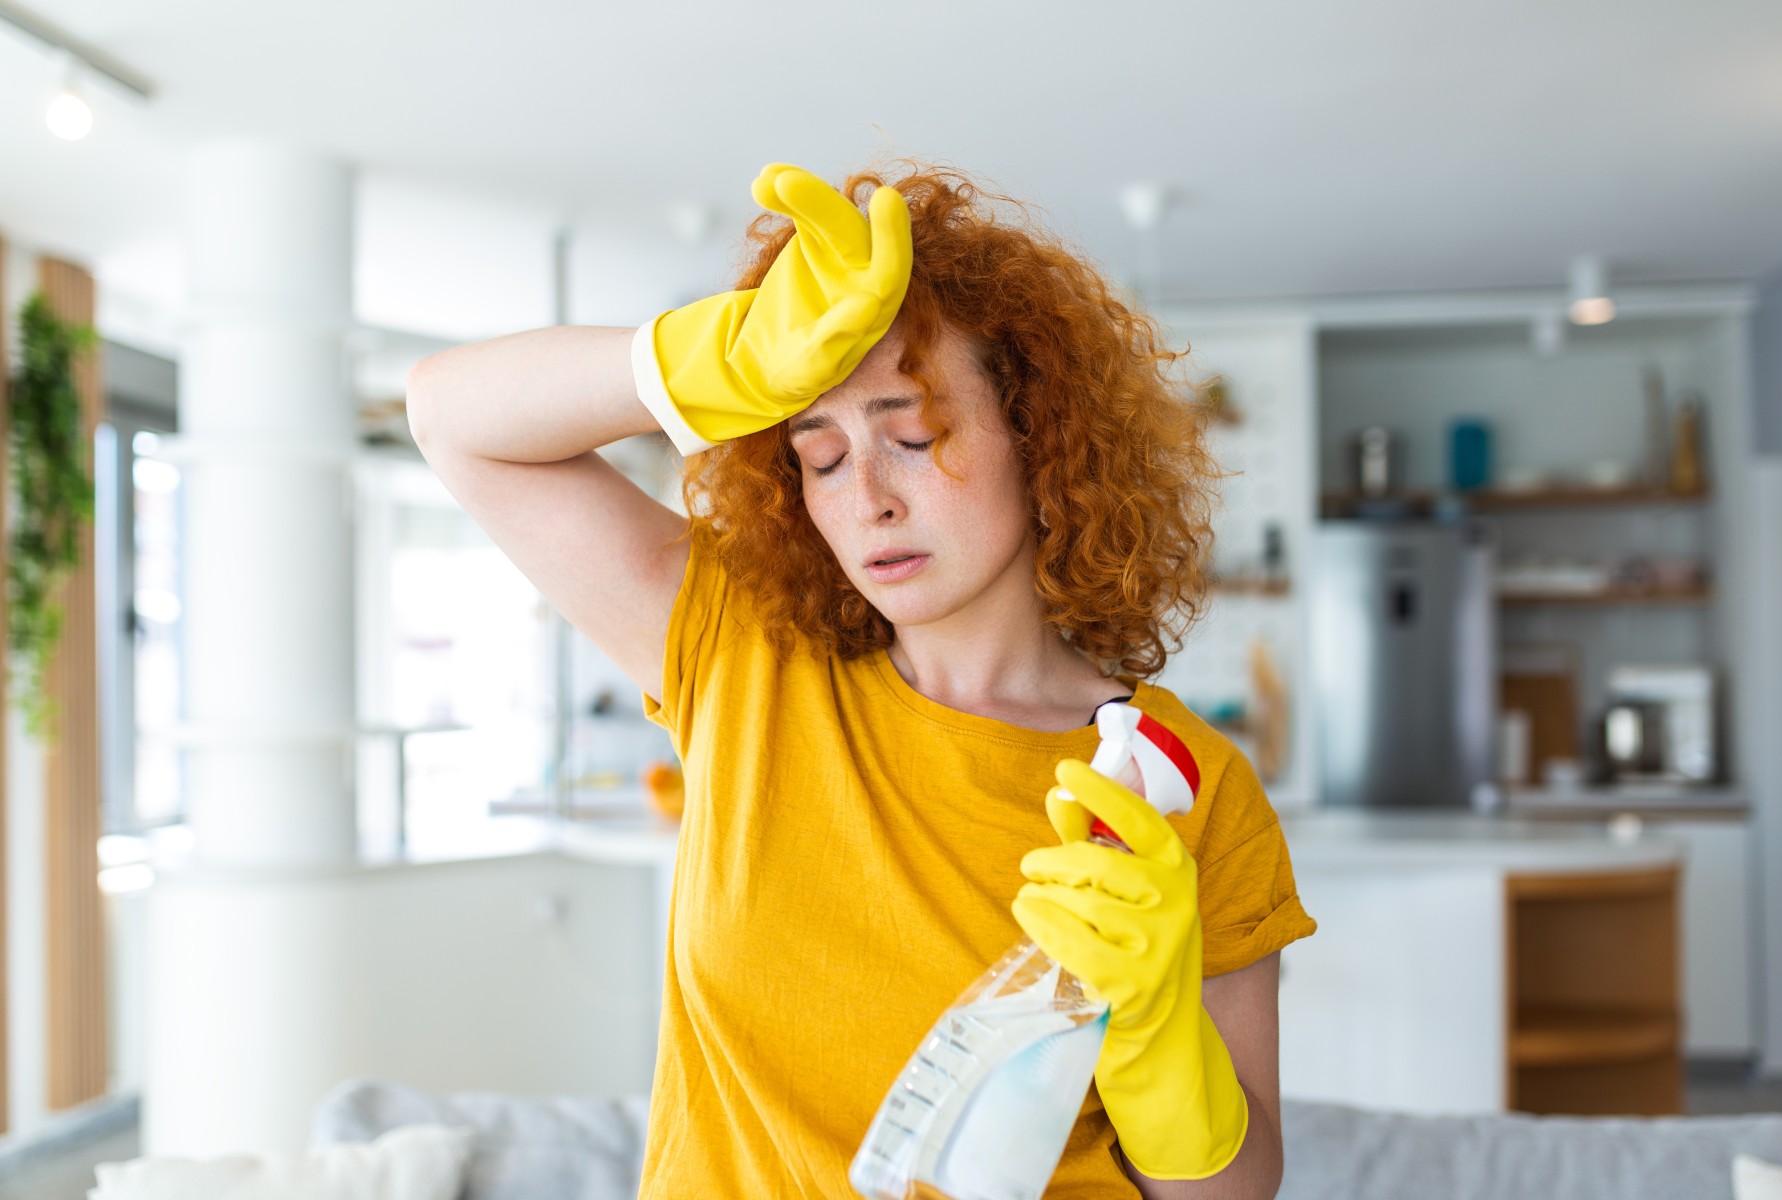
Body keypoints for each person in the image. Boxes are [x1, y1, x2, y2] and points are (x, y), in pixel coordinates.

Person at [406, 159, 1316, 1199]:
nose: (867, 497)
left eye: (913, 436)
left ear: (1041, 434)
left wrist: (1160, 1031)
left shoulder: (1183, 783)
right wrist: (719, 359)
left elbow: (1234, 1193)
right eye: (822, 455)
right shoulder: (741, 656)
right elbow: (449, 416)